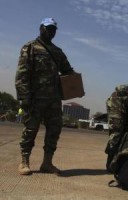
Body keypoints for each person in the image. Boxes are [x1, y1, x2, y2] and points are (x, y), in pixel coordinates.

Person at [15, 18, 77, 176]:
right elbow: (22, 74)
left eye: (54, 29)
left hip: (54, 100)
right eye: (48, 28)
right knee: (30, 130)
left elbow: (67, 70)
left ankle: (47, 163)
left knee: (54, 131)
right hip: (35, 99)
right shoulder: (29, 48)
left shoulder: (57, 51)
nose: (51, 31)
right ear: (41, 28)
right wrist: (24, 97)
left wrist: (76, 85)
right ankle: (24, 162)